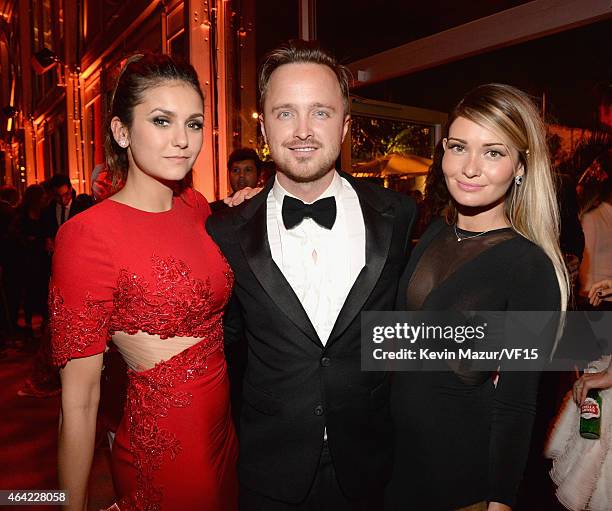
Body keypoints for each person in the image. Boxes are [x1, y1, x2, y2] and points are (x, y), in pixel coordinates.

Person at [207, 40, 416, 510]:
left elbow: (413, 325)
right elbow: (223, 340)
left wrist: (584, 344)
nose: (302, 130)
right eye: (285, 113)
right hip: (269, 471)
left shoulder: (398, 214)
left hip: (370, 466)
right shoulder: (225, 229)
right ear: (263, 126)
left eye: (320, 112)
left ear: (344, 124)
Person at [50, 53, 237, 510]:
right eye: (161, 121)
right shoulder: (86, 236)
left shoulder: (196, 206)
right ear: (121, 131)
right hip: (167, 448)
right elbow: (79, 401)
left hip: (225, 433)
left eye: (194, 124)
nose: (182, 141)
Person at [385, 83, 569, 511]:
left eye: (493, 152)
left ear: (520, 167)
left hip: (460, 478)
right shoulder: (433, 234)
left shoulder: (529, 266)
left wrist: (500, 501)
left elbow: (518, 402)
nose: (469, 168)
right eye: (458, 147)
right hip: (397, 465)